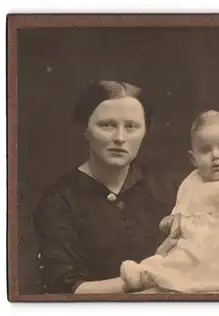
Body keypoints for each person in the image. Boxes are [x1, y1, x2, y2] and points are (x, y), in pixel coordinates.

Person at [33, 80, 175, 294]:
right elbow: (66, 289)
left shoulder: (166, 189)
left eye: (131, 127)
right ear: (86, 130)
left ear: (145, 131)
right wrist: (142, 280)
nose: (119, 138)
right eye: (107, 125)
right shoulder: (59, 200)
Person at [120, 110, 219, 293]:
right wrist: (173, 219)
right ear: (193, 158)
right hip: (194, 243)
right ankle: (144, 275)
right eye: (205, 150)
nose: (215, 156)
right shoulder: (191, 181)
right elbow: (185, 206)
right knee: (175, 261)